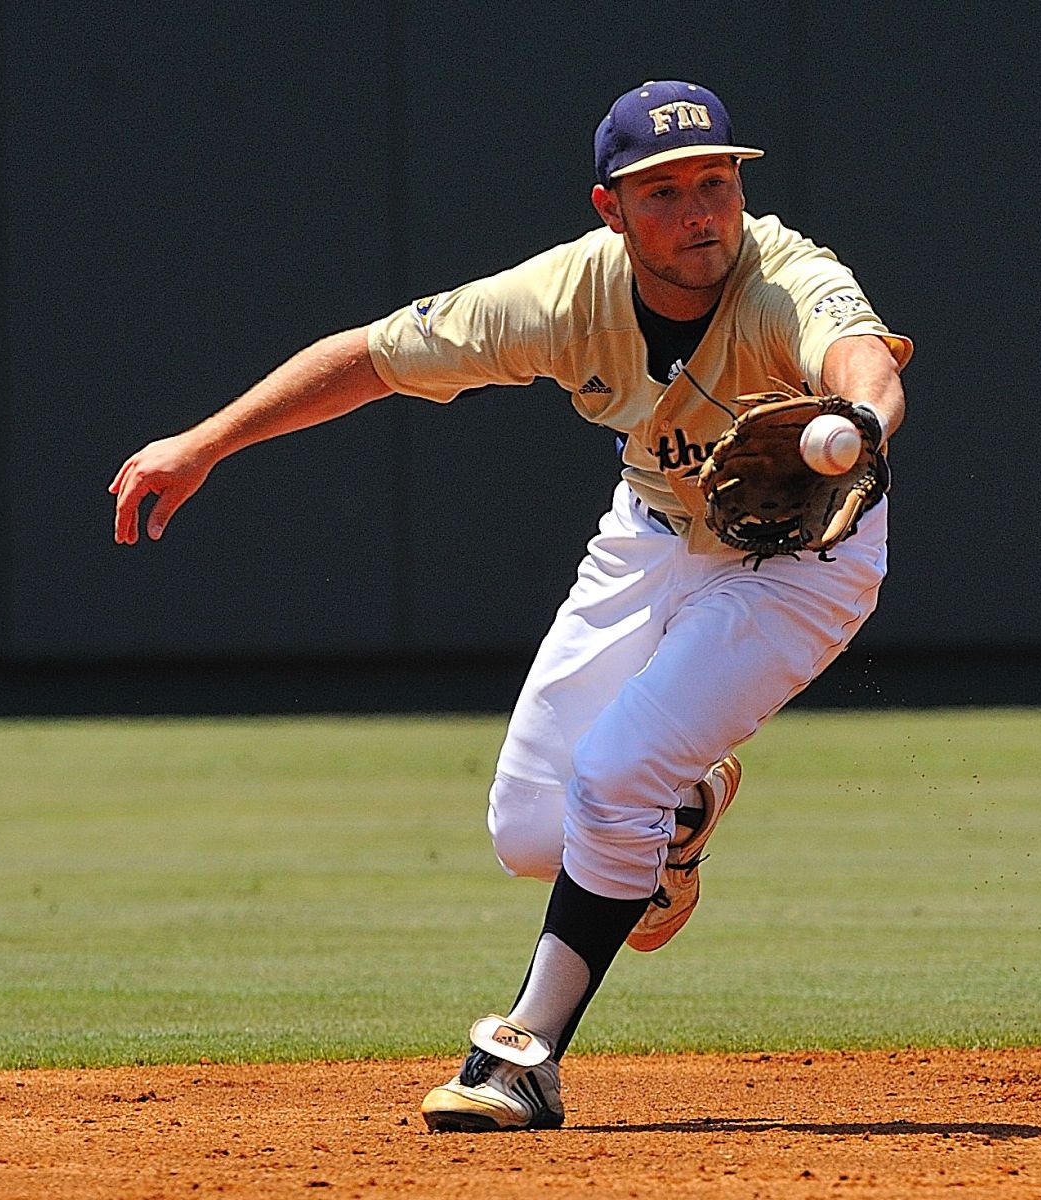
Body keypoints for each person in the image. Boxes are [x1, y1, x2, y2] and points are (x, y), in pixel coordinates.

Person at [108, 80, 910, 1132]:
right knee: (535, 829)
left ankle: (523, 1057)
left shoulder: (785, 274)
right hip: (655, 531)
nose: (702, 211)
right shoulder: (559, 298)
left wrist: (859, 418)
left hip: (805, 563)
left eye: (716, 181)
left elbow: (862, 360)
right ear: (610, 209)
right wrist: (207, 441)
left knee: (617, 773)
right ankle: (677, 817)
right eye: (663, 192)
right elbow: (372, 358)